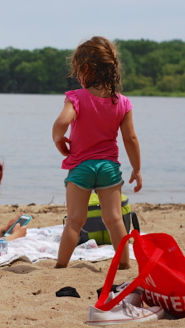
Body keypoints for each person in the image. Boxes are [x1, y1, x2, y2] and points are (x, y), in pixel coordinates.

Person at [52, 36, 142, 269]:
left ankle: (61, 266)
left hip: (82, 166)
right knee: (113, 218)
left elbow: (62, 123)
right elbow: (130, 139)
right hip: (109, 167)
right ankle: (123, 264)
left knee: (74, 220)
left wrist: (58, 139)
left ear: (85, 69)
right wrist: (137, 168)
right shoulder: (121, 102)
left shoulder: (77, 97)